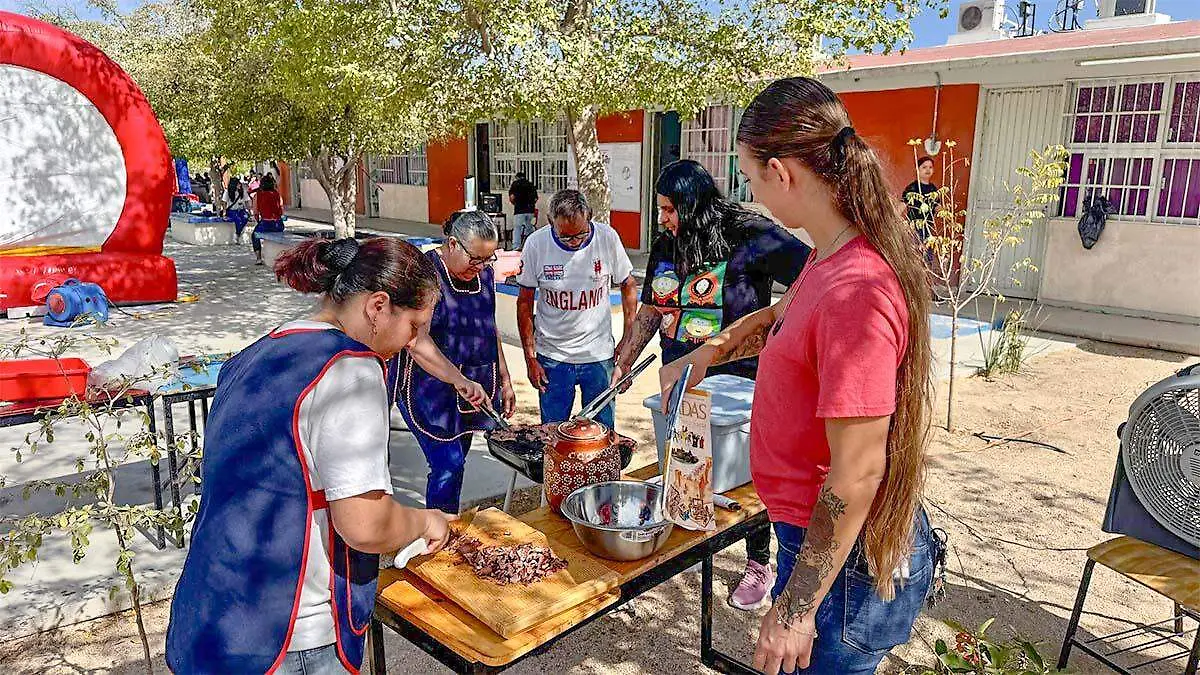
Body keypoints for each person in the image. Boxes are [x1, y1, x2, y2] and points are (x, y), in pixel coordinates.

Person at [659, 76, 938, 674]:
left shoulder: (856, 290)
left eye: (752, 178)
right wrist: (711, 350)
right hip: (817, 541)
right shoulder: (826, 254)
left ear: (782, 173)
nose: (752, 194)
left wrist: (794, 609)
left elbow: (859, 471)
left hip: (841, 563)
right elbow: (783, 315)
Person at [166, 237, 489, 673]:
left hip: (213, 612)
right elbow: (365, 524)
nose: (413, 341)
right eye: (414, 326)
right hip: (292, 634)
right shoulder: (351, 370)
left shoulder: (260, 351)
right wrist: (426, 519)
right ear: (378, 307)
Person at [612, 159, 811, 612]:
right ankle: (692, 540)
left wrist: (771, 330)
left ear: (695, 204)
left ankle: (760, 561)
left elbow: (811, 275)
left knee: (748, 478)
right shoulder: (668, 242)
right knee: (687, 468)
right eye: (659, 209)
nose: (662, 219)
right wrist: (624, 356)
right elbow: (652, 309)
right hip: (679, 381)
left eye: (669, 209)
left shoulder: (750, 234)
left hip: (740, 385)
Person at [390, 210, 517, 513]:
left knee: (458, 459)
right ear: (452, 244)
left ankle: (448, 521)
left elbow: (489, 325)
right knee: (448, 463)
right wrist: (458, 381)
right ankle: (439, 535)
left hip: (471, 383)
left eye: (488, 260)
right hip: (427, 387)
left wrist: (505, 379)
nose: (482, 267)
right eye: (476, 259)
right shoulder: (423, 275)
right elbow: (416, 341)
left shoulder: (483, 274)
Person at [517, 190, 637, 430]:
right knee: (553, 435)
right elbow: (524, 302)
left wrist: (628, 339)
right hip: (552, 359)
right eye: (565, 237)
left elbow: (628, 284)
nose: (574, 242)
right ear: (551, 223)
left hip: (599, 358)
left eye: (581, 234)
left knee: (601, 435)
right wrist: (530, 357)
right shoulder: (536, 244)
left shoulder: (607, 238)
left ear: (590, 216)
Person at [902, 156, 938, 247]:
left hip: (929, 227)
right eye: (924, 167)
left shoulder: (933, 189)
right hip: (915, 227)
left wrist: (948, 215)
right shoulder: (912, 188)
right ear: (918, 169)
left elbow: (937, 206)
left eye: (930, 167)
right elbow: (902, 204)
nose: (928, 170)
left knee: (927, 255)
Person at [252, 173, 286, 265]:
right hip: (278, 223)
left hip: (266, 223)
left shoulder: (257, 195)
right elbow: (282, 210)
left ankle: (258, 258)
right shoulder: (277, 194)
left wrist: (258, 221)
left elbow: (255, 212)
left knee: (255, 235)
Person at [508, 172, 539, 250]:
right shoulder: (530, 184)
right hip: (530, 211)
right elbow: (536, 198)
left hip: (519, 210)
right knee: (529, 228)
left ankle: (516, 246)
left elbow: (512, 197)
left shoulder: (515, 184)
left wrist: (515, 204)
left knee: (517, 228)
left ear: (517, 177)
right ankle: (531, 246)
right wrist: (531, 204)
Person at [223, 175, 251, 241]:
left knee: (245, 218)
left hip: (241, 209)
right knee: (237, 220)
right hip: (232, 210)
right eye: (238, 184)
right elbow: (224, 202)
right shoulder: (228, 192)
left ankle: (238, 233)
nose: (240, 185)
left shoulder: (242, 191)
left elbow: (247, 201)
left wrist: (249, 211)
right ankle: (237, 235)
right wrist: (224, 212)